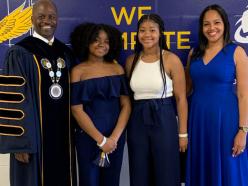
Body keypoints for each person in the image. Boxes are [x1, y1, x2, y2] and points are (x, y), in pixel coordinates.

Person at [0, 0, 76, 186]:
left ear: (57, 20)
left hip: (63, 135)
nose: (47, 21)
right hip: (33, 140)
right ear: (32, 19)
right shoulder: (20, 52)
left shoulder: (65, 53)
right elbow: (13, 100)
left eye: (51, 17)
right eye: (41, 17)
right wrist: (20, 144)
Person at [186, 4, 248, 186]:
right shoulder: (194, 53)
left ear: (225, 25)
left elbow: (244, 95)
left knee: (228, 167)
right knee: (202, 164)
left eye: (216, 23)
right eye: (206, 24)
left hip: (227, 120)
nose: (211, 28)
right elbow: (187, 88)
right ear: (201, 27)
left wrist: (243, 131)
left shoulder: (236, 52)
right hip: (198, 120)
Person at [125, 13, 188, 186]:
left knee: (166, 172)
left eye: (152, 30)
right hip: (137, 122)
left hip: (164, 118)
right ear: (137, 34)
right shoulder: (131, 61)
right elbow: (128, 99)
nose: (147, 35)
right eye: (142, 30)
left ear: (160, 33)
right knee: (139, 171)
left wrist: (182, 134)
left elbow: (181, 99)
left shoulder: (171, 60)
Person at [70, 23, 131, 186]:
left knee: (112, 181)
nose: (102, 44)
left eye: (106, 41)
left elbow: (126, 106)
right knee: (89, 181)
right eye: (96, 40)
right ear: (85, 42)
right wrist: (101, 140)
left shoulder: (118, 69)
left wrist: (113, 138)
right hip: (88, 138)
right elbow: (76, 110)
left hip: (115, 139)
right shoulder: (77, 71)